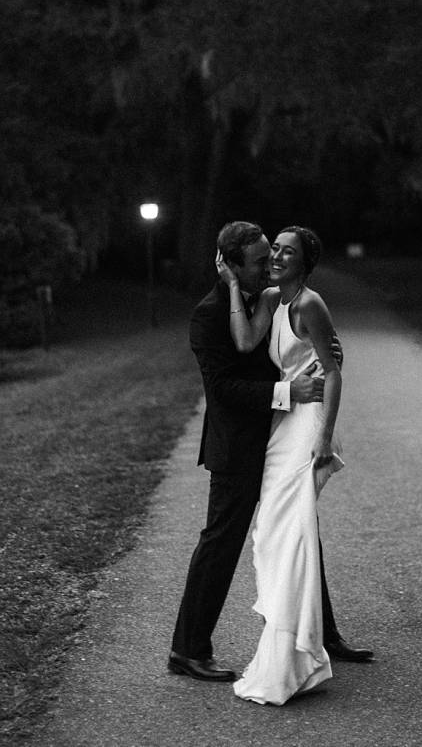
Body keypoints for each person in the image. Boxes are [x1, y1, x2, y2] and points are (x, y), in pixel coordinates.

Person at [168, 221, 372, 685]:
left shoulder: (273, 299)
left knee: (301, 531)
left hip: (282, 435)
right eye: (259, 260)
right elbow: (222, 389)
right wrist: (288, 390)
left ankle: (323, 634)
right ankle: (188, 649)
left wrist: (323, 359)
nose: (269, 264)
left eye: (273, 254)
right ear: (232, 267)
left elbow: (307, 352)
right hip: (238, 447)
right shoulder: (208, 314)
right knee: (220, 544)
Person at [217, 224, 349, 704]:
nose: (276, 255)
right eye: (274, 247)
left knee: (292, 534)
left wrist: (325, 438)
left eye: (287, 251)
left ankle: (295, 657)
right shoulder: (272, 299)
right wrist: (234, 284)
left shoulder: (312, 304)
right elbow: (246, 341)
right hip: (282, 421)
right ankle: (297, 642)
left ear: (305, 263)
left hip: (308, 424)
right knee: (273, 535)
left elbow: (332, 373)